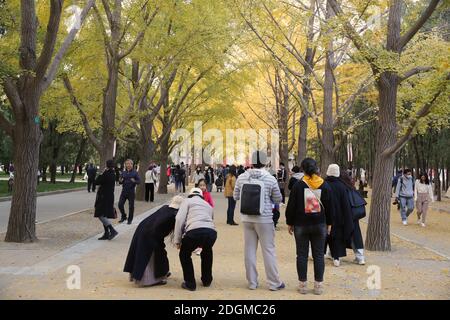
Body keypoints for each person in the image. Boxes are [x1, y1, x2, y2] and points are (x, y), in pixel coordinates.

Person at [234, 150, 285, 291]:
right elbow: (277, 199)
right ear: (264, 162)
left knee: (249, 249)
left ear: (251, 162)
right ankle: (274, 283)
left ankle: (252, 282)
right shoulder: (270, 178)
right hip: (265, 218)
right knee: (268, 250)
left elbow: (235, 196)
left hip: (247, 218)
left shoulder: (242, 177)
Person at [285, 158, 333, 295]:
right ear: (316, 168)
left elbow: (291, 207)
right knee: (319, 255)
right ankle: (318, 285)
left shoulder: (298, 186)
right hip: (320, 224)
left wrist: (290, 222)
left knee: (301, 255)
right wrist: (329, 223)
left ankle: (303, 285)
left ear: (303, 169)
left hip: (301, 224)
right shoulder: (325, 185)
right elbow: (330, 207)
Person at [124, 196, 184, 287]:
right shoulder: (174, 215)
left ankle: (163, 272)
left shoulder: (165, 208)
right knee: (152, 255)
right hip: (151, 234)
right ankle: (151, 279)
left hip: (143, 228)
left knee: (153, 253)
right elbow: (176, 231)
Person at [174, 188, 217, 291]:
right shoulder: (207, 205)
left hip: (194, 231)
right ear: (201, 196)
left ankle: (190, 283)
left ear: (190, 195)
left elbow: (179, 219)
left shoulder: (187, 201)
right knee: (207, 251)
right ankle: (207, 280)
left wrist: (177, 240)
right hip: (211, 232)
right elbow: (211, 219)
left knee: (184, 254)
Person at [325, 164, 354, 267]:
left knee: (324, 236)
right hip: (338, 216)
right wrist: (347, 217)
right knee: (336, 237)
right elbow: (345, 204)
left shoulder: (323, 184)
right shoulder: (342, 186)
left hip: (325, 216)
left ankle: (320, 254)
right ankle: (336, 257)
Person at [340, 170, 366, 265]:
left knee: (339, 234)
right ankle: (360, 257)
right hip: (354, 216)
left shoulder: (342, 188)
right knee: (356, 236)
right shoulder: (351, 187)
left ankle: (334, 254)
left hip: (345, 215)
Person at [94, 159, 118, 241]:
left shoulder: (106, 174)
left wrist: (101, 173)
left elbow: (96, 182)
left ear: (107, 166)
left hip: (103, 197)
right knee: (104, 214)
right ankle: (107, 233)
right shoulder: (113, 174)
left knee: (100, 214)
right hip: (110, 196)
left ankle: (112, 230)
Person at [118, 159, 141, 224]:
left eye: (129, 164)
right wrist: (120, 181)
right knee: (120, 205)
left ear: (132, 164)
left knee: (131, 206)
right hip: (124, 192)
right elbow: (120, 182)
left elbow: (139, 181)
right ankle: (124, 216)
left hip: (131, 192)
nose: (128, 165)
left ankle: (130, 219)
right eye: (127, 164)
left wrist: (134, 181)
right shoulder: (123, 172)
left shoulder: (135, 172)